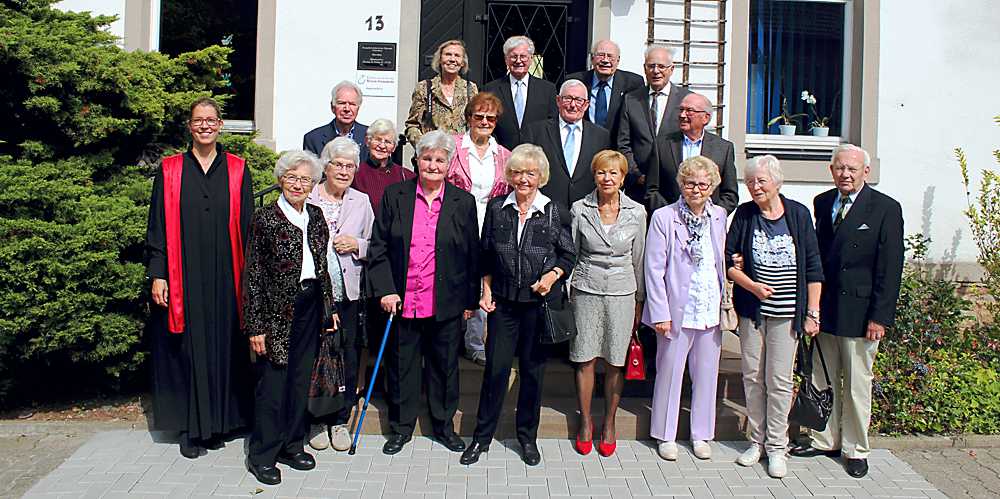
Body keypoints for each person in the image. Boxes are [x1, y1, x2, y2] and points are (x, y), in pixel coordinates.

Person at [144, 97, 253, 459]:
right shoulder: (171, 170)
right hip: (184, 274)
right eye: (198, 120)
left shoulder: (238, 169)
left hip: (226, 275)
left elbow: (248, 228)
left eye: (211, 120)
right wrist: (158, 274)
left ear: (221, 125)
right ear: (190, 127)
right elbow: (157, 226)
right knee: (188, 350)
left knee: (223, 346)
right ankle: (193, 429)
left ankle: (218, 424)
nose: (205, 125)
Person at [789, 144, 904, 479]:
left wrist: (880, 317)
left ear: (866, 171)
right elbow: (817, 258)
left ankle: (856, 449)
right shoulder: (823, 202)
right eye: (840, 168)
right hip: (825, 309)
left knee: (856, 385)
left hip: (861, 312)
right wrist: (810, 309)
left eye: (852, 169)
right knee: (822, 378)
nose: (846, 174)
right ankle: (825, 439)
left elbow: (890, 268)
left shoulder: (885, 208)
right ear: (831, 170)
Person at [366, 130, 480, 456]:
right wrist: (386, 289)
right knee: (402, 365)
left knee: (444, 367)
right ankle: (401, 427)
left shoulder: (463, 202)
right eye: (427, 158)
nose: (433, 165)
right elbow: (379, 246)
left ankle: (443, 426)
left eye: (439, 160)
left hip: (445, 300)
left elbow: (471, 254)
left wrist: (469, 300)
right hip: (404, 299)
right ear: (417, 161)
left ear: (449, 164)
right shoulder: (395, 195)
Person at [460, 144, 576, 467]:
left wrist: (552, 276)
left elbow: (568, 255)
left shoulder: (554, 210)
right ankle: (481, 438)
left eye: (531, 173)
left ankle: (527, 438)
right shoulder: (498, 208)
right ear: (510, 175)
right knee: (495, 371)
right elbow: (486, 254)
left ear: (541, 176)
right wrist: (485, 291)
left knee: (532, 373)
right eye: (518, 172)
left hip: (538, 305)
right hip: (504, 304)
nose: (524, 179)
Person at [725, 155, 824, 478]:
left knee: (779, 381)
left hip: (787, 314)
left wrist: (812, 312)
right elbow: (728, 262)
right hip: (753, 313)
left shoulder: (798, 214)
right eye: (751, 181)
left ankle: (778, 447)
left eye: (761, 181)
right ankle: (757, 442)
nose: (755, 187)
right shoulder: (745, 214)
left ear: (777, 182)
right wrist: (752, 286)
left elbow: (813, 266)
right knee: (753, 377)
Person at [243, 150, 338, 486]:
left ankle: (292, 445)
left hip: (310, 305)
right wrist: (255, 325)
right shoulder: (265, 218)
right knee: (273, 384)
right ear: (281, 180)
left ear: (313, 185)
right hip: (275, 312)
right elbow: (253, 274)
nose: (298, 185)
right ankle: (262, 455)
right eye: (292, 178)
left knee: (300, 380)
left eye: (305, 180)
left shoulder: (315, 215)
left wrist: (329, 308)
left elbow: (322, 268)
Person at [642, 156, 728, 463]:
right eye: (690, 183)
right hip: (676, 309)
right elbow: (653, 269)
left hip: (709, 307)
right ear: (681, 184)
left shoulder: (719, 216)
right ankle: (665, 435)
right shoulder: (664, 217)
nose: (696, 189)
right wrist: (660, 312)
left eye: (703, 184)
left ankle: (701, 434)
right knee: (669, 373)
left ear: (712, 187)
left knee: (706, 375)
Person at [569, 150, 646, 458]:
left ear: (623, 178)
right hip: (585, 289)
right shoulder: (580, 209)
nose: (607, 178)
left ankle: (609, 422)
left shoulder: (637, 212)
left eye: (614, 173)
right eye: (602, 172)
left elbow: (639, 259)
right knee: (584, 358)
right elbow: (573, 254)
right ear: (594, 176)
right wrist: (569, 291)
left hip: (622, 292)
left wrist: (639, 300)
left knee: (615, 360)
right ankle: (586, 421)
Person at [305, 137, 375, 452]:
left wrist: (357, 245)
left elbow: (376, 244)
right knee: (315, 355)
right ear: (326, 166)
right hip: (313, 292)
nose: (344, 171)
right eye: (338, 164)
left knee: (346, 355)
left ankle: (339, 419)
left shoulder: (361, 201)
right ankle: (315, 419)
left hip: (349, 291)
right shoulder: (308, 195)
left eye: (350, 166)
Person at [446, 92, 513, 366]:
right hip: (456, 221)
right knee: (454, 277)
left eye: (490, 118)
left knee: (485, 279)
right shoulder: (452, 146)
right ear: (469, 118)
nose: (485, 122)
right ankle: (450, 340)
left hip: (490, 223)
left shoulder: (505, 155)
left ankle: (475, 343)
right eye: (479, 116)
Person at [617, 46, 692, 206]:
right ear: (645, 69)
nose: (656, 71)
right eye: (651, 66)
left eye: (661, 66)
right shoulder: (631, 100)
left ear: (671, 69)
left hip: (675, 187)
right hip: (639, 187)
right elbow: (623, 143)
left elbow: (692, 140)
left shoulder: (687, 99)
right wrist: (636, 174)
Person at [521, 79, 611, 208]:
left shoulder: (601, 136)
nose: (573, 105)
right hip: (545, 209)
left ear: (586, 105)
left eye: (579, 100)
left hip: (586, 209)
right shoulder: (535, 132)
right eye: (567, 99)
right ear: (558, 101)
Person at [644, 93, 739, 213]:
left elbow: (730, 194)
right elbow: (651, 189)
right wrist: (670, 215)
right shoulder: (661, 145)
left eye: (689, 111)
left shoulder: (723, 148)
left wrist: (712, 216)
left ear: (705, 118)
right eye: (681, 110)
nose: (682, 115)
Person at [484, 35, 558, 149]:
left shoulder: (547, 90)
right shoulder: (490, 90)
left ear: (531, 59)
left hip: (536, 154)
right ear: (506, 59)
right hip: (500, 153)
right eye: (513, 56)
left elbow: (552, 125)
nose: (518, 61)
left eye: (523, 56)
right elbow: (486, 122)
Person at [404, 40, 479, 148]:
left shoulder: (470, 89)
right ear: (439, 59)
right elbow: (412, 125)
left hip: (461, 153)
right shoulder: (425, 87)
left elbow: (476, 123)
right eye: (448, 54)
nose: (452, 59)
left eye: (457, 55)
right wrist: (424, 147)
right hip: (432, 153)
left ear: (462, 62)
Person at [563, 39, 644, 135]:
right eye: (600, 55)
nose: (605, 60)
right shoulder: (576, 81)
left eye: (610, 56)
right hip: (584, 140)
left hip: (617, 143)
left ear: (618, 60)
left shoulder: (633, 83)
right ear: (592, 58)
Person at [352, 118, 416, 214]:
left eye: (387, 142)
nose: (382, 146)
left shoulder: (407, 176)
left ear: (394, 147)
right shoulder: (356, 174)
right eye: (377, 140)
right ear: (367, 141)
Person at [303, 81, 369, 163]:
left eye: (352, 104)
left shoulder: (370, 136)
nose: (347, 109)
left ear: (358, 108)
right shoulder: (313, 139)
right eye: (342, 103)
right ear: (332, 107)